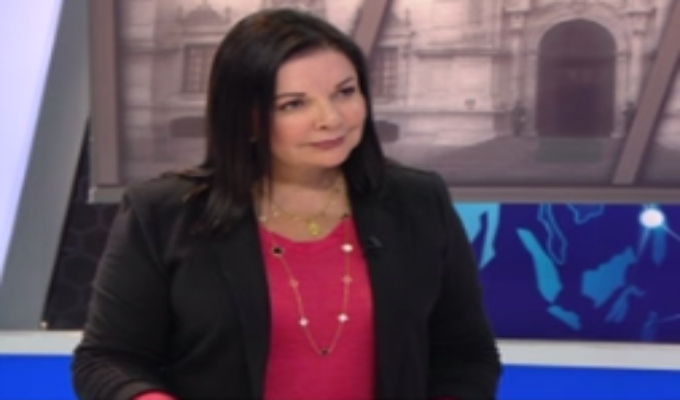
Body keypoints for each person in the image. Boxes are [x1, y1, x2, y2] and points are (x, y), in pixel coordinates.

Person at [72, 8, 501, 400]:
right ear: (246, 118)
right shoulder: (164, 213)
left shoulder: (418, 201)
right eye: (294, 104)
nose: (331, 118)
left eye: (345, 92)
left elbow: (466, 354)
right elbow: (108, 360)